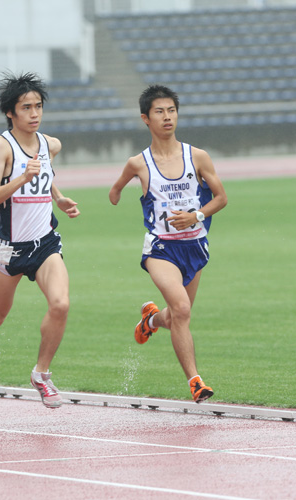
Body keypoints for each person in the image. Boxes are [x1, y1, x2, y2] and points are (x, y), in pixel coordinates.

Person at [0, 73, 80, 413]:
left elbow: (46, 173)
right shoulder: (1, 147)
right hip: (10, 248)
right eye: (26, 107)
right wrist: (21, 179)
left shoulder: (49, 144)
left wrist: (56, 196)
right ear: (10, 113)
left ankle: (42, 373)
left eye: (38, 106)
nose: (34, 113)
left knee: (60, 304)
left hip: (44, 243)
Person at [109, 84, 227, 403]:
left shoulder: (197, 157)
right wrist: (118, 195)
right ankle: (195, 381)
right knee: (183, 309)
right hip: (161, 249)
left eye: (171, 110)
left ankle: (150, 320)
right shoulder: (139, 163)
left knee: (175, 316)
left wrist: (196, 216)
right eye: (159, 112)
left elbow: (221, 198)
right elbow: (116, 189)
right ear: (146, 119)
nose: (167, 117)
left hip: (194, 247)